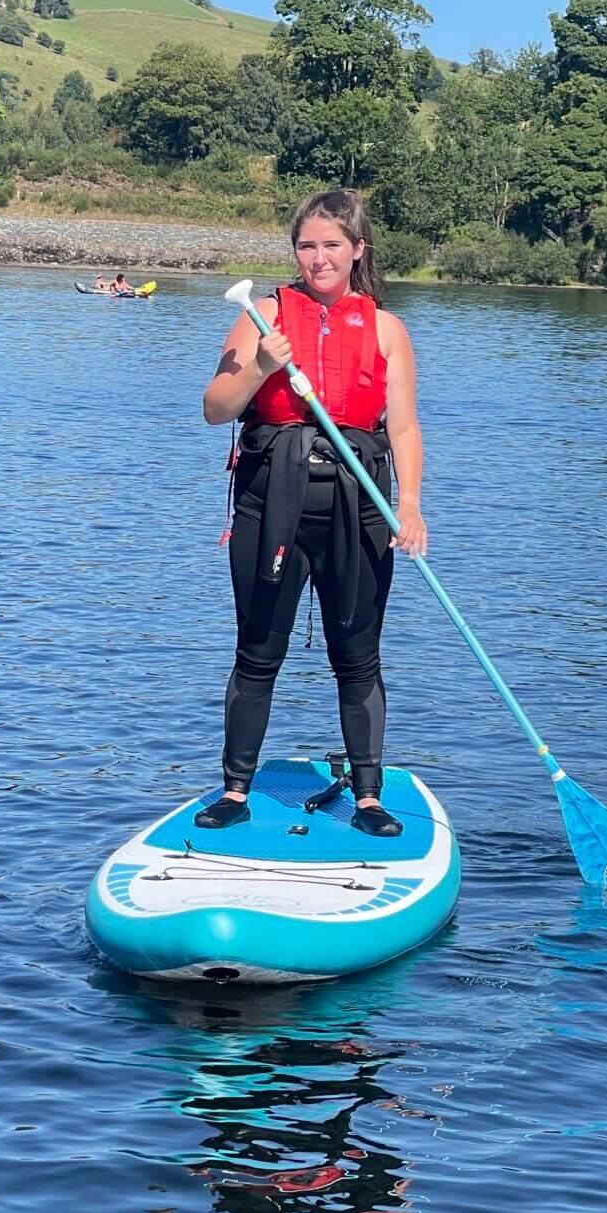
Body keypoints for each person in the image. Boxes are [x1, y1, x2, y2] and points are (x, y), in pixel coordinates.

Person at [199, 189, 428, 837]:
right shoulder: (263, 315)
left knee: (357, 655)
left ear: (358, 250)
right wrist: (259, 369)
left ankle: (368, 798)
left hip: (358, 503)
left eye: (332, 245)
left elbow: (404, 429)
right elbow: (216, 407)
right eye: (307, 245)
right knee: (257, 649)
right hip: (272, 501)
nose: (319, 258)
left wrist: (408, 505)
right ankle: (236, 791)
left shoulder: (386, 328)